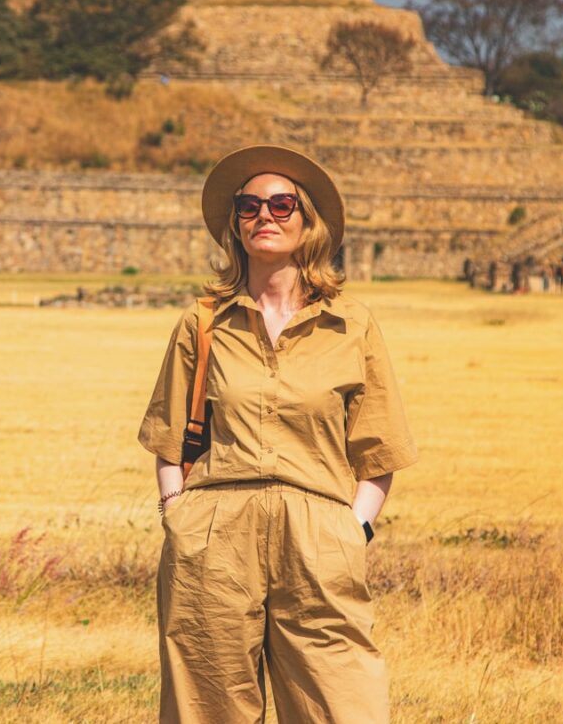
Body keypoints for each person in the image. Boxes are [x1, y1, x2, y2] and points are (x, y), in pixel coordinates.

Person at [138, 144, 417, 722]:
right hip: (214, 534)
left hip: (319, 533)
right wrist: (177, 513)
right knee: (207, 709)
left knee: (343, 706)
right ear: (235, 227)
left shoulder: (352, 324)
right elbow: (169, 437)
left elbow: (378, 446)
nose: (264, 216)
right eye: (249, 206)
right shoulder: (202, 321)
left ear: (307, 220)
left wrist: (354, 527)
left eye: (281, 204)